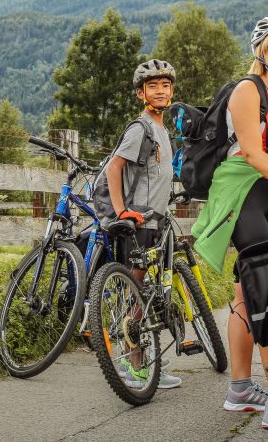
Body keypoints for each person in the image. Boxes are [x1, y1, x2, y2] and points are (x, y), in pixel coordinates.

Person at [191, 14, 268, 431]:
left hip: (267, 195)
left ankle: (240, 389)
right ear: (259, 49)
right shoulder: (249, 89)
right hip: (243, 194)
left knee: (246, 292)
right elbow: (251, 153)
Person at [104, 59, 182, 389]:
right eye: (153, 86)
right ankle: (132, 365)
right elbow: (113, 168)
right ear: (141, 93)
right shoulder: (141, 128)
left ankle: (146, 363)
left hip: (157, 220)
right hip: (140, 222)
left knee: (149, 292)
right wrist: (122, 212)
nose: (161, 91)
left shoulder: (163, 129)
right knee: (137, 294)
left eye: (165, 85)